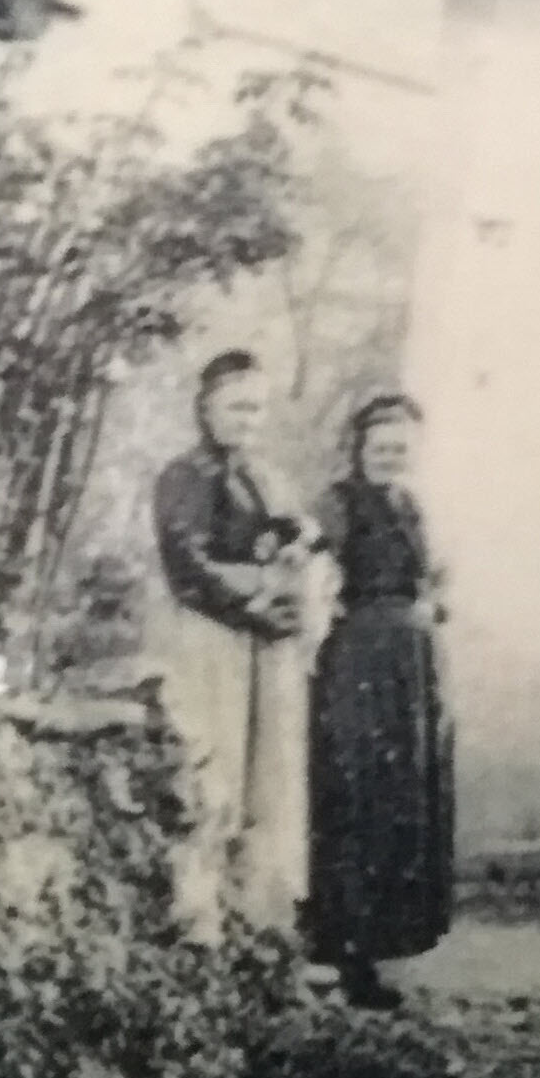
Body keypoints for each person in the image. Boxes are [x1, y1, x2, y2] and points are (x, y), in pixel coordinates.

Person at [149, 350, 316, 935]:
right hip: (210, 636)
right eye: (235, 405)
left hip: (262, 642)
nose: (247, 418)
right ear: (206, 407)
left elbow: (296, 531)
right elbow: (186, 561)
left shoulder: (265, 477)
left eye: (257, 407)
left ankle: (257, 920)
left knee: (265, 776)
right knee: (212, 764)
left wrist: (295, 554)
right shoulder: (184, 476)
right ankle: (200, 918)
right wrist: (249, 600)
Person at [307, 391, 455, 1011]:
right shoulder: (339, 504)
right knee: (356, 794)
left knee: (401, 801)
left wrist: (432, 601)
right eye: (380, 447)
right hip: (361, 661)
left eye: (402, 448)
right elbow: (314, 566)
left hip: (411, 667)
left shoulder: (411, 506)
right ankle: (340, 953)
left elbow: (428, 579)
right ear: (359, 449)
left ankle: (379, 950)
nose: (391, 457)